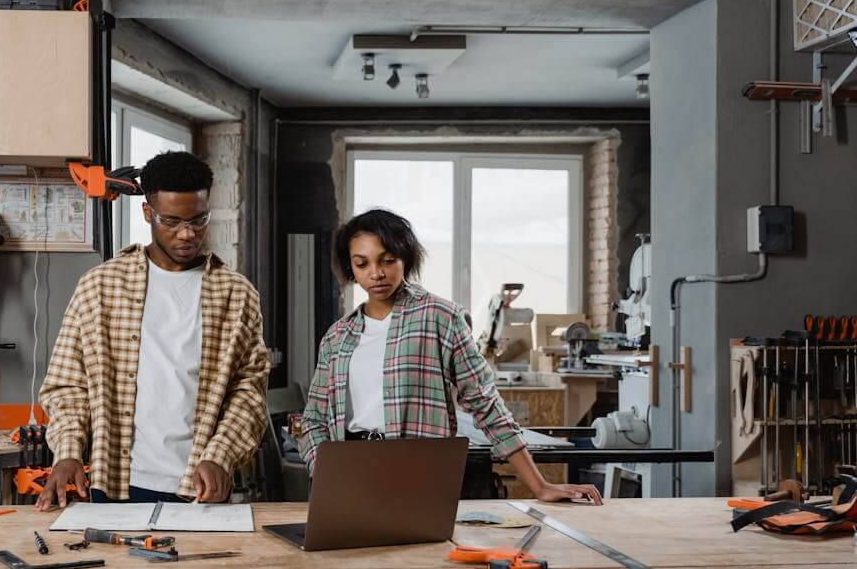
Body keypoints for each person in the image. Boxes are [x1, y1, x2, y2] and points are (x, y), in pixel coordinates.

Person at [299, 208, 602, 504]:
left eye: (387, 260)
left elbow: (485, 404)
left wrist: (540, 486)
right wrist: (326, 473)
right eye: (361, 264)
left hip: (421, 475)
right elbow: (313, 419)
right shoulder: (338, 336)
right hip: (349, 474)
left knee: (422, 555)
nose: (376, 273)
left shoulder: (442, 318)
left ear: (405, 258)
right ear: (350, 268)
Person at [37, 151, 270, 509]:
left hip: (199, 484)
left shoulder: (236, 294)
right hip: (115, 482)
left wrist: (221, 455)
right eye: (172, 221)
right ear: (148, 214)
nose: (187, 234)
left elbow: (249, 392)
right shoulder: (101, 286)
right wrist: (67, 452)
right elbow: (68, 383)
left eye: (198, 220)